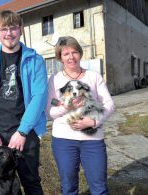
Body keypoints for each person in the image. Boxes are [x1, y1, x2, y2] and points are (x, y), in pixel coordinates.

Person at [0, 10, 47, 195]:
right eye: (4, 29)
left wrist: (22, 131)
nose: (9, 33)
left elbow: (39, 96)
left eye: (13, 28)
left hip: (24, 129)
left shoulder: (35, 60)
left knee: (31, 182)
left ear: (20, 30)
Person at [46, 36, 114, 195]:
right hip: (64, 141)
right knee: (68, 187)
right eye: (66, 54)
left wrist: (93, 121)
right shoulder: (54, 80)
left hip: (93, 140)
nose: (71, 57)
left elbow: (109, 104)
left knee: (99, 188)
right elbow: (48, 112)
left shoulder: (94, 76)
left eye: (75, 52)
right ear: (60, 57)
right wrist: (66, 108)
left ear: (80, 54)